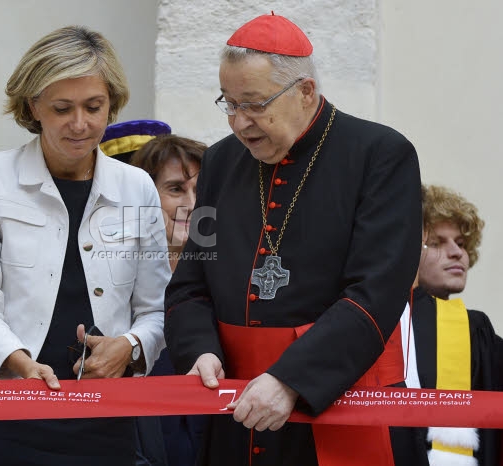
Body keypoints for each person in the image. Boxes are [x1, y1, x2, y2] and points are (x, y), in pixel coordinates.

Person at [164, 12, 422, 466]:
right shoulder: (222, 163)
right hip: (237, 408)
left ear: (305, 91)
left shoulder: (380, 154)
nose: (240, 123)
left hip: (337, 395)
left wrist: (291, 379)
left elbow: (377, 292)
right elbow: (189, 286)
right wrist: (199, 350)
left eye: (255, 103)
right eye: (229, 103)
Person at [0, 26, 170, 466]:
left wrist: (128, 345)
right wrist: (20, 362)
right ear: (33, 107)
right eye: (62, 108)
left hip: (104, 415)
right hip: (1, 405)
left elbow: (158, 307)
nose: (80, 124)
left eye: (94, 107)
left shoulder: (137, 186)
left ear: (112, 103)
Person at [395, 184, 502, 465]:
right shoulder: (384, 322)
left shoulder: (476, 330)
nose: (456, 253)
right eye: (438, 242)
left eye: (462, 243)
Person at [130, 134, 209, 466]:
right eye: (176, 189)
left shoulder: (233, 275)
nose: (192, 203)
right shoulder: (117, 276)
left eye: (200, 191)